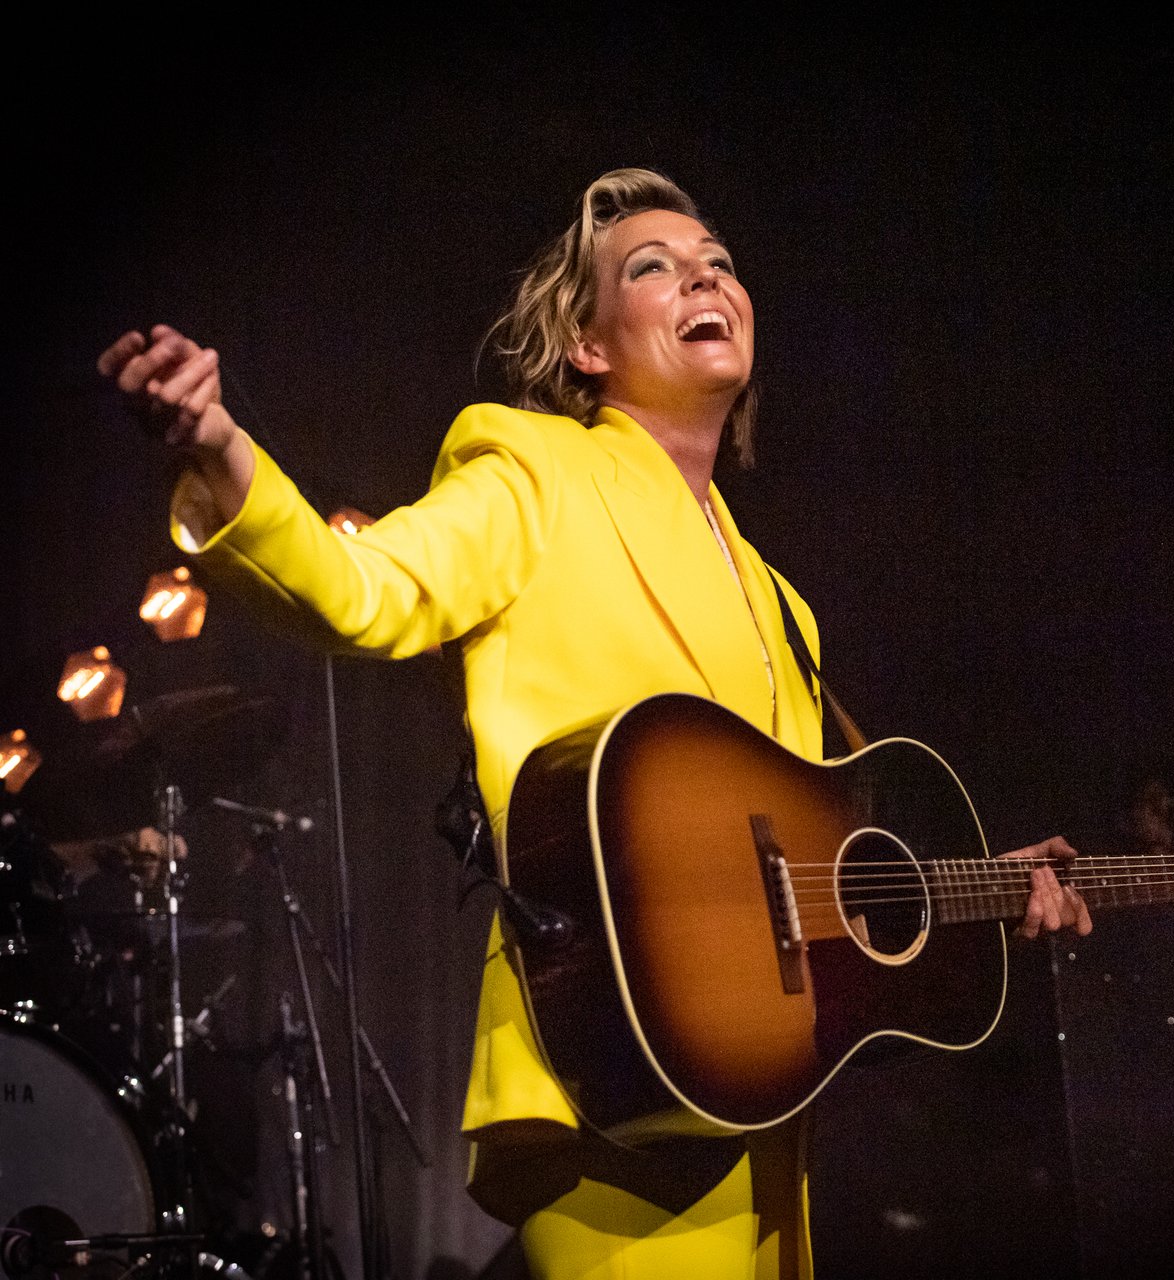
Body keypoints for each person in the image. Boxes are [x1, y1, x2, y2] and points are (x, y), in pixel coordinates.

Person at [97, 168, 1093, 1280]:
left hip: (759, 1093)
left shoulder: (780, 600)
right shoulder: (531, 468)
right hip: (611, 1066)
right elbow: (363, 590)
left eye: (716, 258)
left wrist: (979, 893)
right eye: (653, 267)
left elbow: (816, 862)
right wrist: (220, 449)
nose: (703, 275)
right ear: (585, 345)